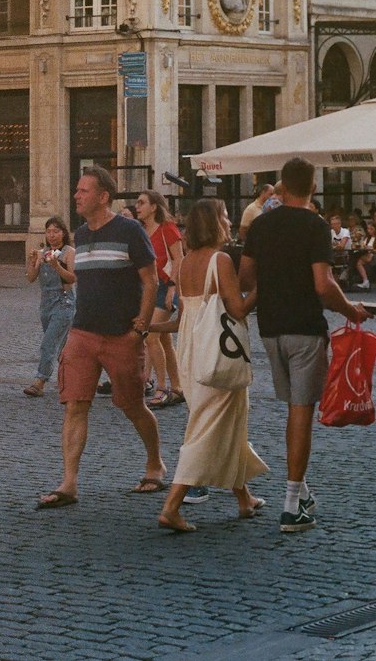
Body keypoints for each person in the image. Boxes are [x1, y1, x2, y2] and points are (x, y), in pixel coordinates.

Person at [239, 156, 369, 532]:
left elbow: (246, 276)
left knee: (292, 409)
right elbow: (323, 285)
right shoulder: (315, 226)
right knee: (301, 411)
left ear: (281, 185)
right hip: (304, 327)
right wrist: (351, 310)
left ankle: (303, 491)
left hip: (270, 328)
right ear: (312, 187)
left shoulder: (261, 225)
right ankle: (292, 502)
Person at [36, 165, 164, 509]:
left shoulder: (130, 230)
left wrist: (142, 324)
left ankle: (155, 463)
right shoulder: (81, 234)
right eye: (77, 190)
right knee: (75, 405)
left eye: (83, 191)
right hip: (82, 333)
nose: (76, 196)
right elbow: (81, 279)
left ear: (103, 196)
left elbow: (151, 280)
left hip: (122, 335)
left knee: (132, 405)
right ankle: (69, 482)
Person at [151, 200, 267, 533]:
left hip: (191, 351)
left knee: (223, 421)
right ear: (214, 223)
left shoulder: (185, 264)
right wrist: (263, 286)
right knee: (207, 427)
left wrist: (150, 327)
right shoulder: (220, 261)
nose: (229, 222)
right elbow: (239, 309)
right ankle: (172, 506)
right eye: (225, 216)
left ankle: (244, 497)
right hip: (217, 355)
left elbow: (181, 320)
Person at [134, 190, 185, 408]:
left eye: (142, 202)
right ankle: (177, 387)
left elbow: (179, 258)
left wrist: (173, 288)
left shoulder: (167, 229)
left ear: (154, 207)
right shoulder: (140, 231)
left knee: (151, 336)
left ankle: (162, 387)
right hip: (148, 288)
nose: (137, 206)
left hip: (165, 286)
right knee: (163, 339)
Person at [24, 216, 77, 397]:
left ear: (63, 233)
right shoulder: (43, 252)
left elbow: (72, 278)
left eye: (56, 231)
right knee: (62, 346)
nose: (52, 235)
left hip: (64, 302)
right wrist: (32, 261)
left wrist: (57, 266)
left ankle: (40, 381)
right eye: (49, 231)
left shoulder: (69, 252)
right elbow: (31, 278)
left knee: (48, 343)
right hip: (46, 304)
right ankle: (71, 380)